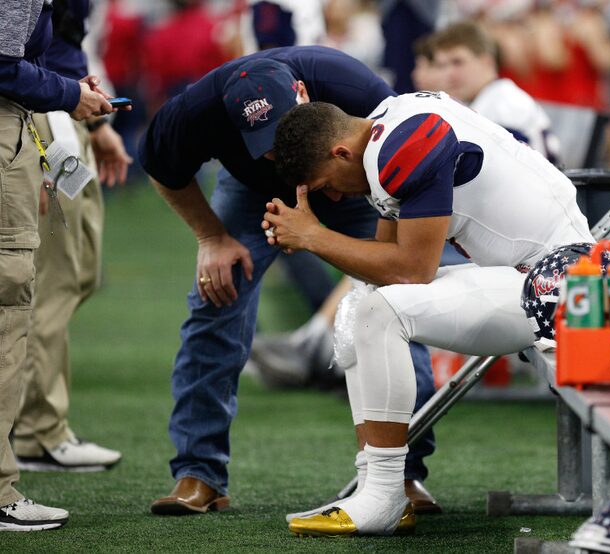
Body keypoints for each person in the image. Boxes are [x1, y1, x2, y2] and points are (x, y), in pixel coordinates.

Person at [264, 91, 595, 536]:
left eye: (327, 185)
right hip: (532, 273)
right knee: (359, 305)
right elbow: (383, 265)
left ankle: (384, 494)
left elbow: (410, 271)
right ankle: (374, 485)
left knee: (382, 311)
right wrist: (313, 237)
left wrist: (313, 237)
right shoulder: (388, 123)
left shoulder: (403, 143)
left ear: (340, 152)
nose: (337, 197)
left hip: (560, 282)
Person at [139, 46, 441, 516]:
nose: (280, 150)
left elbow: (406, 167)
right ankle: (198, 473)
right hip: (254, 191)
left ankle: (404, 474)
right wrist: (211, 237)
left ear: (303, 95)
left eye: (283, 136)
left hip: (356, 179)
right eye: (269, 143)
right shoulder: (198, 110)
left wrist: (374, 248)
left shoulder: (355, 88)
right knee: (216, 297)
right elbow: (160, 164)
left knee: (397, 304)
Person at [0, 0, 114, 531]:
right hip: (15, 119)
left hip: (29, 120)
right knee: (13, 303)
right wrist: (69, 95)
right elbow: (2, 62)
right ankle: (28, 447)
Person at [13, 0, 132, 474]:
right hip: (43, 110)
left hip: (63, 107)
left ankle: (35, 425)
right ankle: (36, 430)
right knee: (53, 280)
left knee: (78, 273)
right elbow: (18, 55)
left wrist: (97, 122)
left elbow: (63, 40)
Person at [431, 21, 561, 163]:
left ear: (487, 62)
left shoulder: (504, 106)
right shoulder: (494, 97)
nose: (449, 74)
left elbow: (516, 171)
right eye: (442, 65)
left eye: (458, 62)